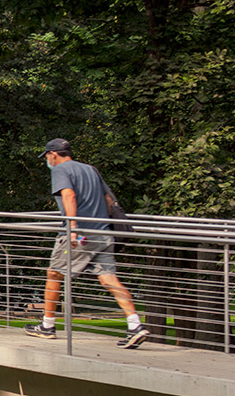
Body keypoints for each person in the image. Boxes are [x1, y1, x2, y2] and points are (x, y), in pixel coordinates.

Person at [27, 138, 151, 349]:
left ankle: (47, 326)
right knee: (108, 279)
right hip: (102, 233)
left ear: (53, 154)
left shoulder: (60, 170)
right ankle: (135, 325)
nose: (47, 160)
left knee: (54, 273)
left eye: (47, 156)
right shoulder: (91, 170)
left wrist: (72, 228)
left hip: (81, 234)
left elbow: (69, 195)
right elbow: (109, 200)